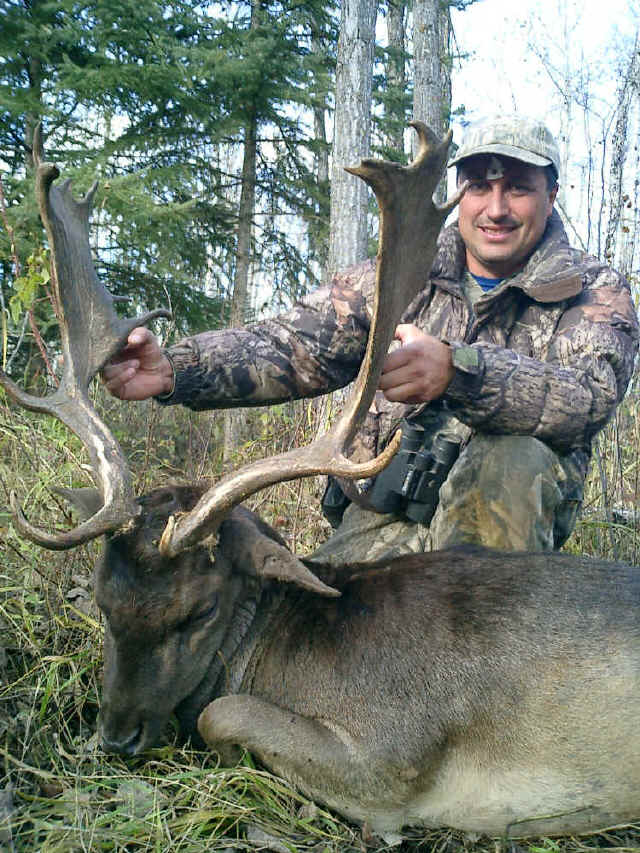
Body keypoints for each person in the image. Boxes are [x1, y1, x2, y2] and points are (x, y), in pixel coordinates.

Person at [102, 115, 639, 564]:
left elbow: (585, 398)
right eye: (479, 186)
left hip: (497, 537)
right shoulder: (397, 273)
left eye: (518, 188)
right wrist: (175, 369)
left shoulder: (594, 289)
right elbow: (292, 344)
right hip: (381, 518)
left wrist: (459, 371)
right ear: (459, 194)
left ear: (552, 195)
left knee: (512, 459)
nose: (496, 209)